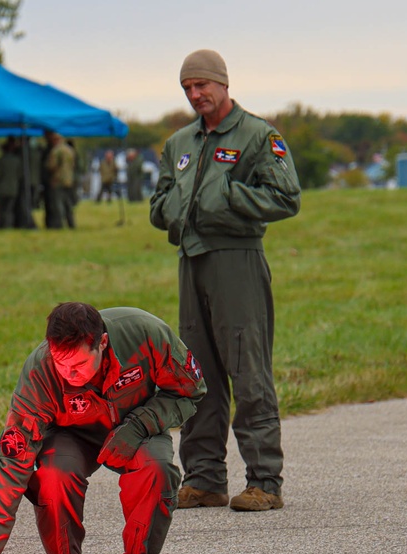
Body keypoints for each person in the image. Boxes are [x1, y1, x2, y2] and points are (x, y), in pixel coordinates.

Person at [0, 302, 207, 554]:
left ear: (102, 343)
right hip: (71, 434)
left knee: (158, 468)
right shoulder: (40, 372)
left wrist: (141, 424)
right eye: (62, 364)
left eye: (80, 364)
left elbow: (190, 390)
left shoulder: (147, 334)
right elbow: (9, 465)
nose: (70, 374)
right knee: (54, 474)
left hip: (136, 426)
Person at [149, 49, 301, 512]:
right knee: (198, 372)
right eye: (188, 88)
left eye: (203, 86)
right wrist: (178, 209)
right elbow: (158, 204)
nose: (196, 95)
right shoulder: (180, 143)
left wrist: (225, 197)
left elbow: (286, 196)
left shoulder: (258, 136)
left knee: (246, 367)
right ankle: (205, 477)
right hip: (191, 260)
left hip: (237, 262)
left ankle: (264, 481)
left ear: (223, 84)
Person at [43, 131, 75, 229]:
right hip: (68, 180)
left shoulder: (56, 151)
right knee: (68, 204)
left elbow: (52, 166)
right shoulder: (70, 150)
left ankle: (58, 224)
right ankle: (71, 223)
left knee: (57, 204)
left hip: (57, 180)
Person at [0, 136, 23, 229]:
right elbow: (20, 175)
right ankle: (8, 225)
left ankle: (1, 224)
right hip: (13, 188)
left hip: (2, 188)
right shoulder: (17, 161)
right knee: (10, 209)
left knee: (2, 209)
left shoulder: (1, 160)